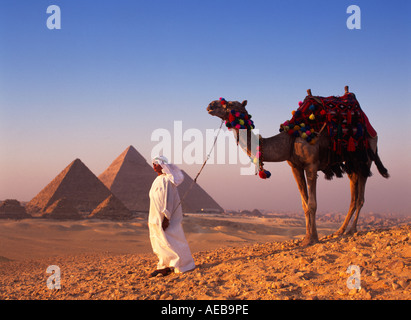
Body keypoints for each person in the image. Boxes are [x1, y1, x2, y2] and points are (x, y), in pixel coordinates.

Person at [148, 155, 195, 277]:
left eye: (156, 163)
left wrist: (166, 218)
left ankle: (176, 265)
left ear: (163, 165)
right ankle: (164, 265)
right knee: (159, 241)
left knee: (170, 240)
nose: (154, 165)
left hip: (164, 217)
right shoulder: (156, 180)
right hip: (155, 216)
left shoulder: (166, 180)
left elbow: (168, 200)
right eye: (153, 163)